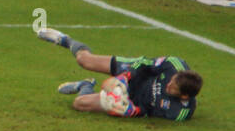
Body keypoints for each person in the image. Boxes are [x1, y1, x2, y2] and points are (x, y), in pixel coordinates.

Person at [36, 28, 200, 122]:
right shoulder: (175, 65)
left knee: (79, 104)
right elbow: (145, 63)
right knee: (84, 60)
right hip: (136, 74)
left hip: (132, 98)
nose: (168, 85)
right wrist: (125, 76)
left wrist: (132, 110)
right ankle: (65, 40)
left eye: (173, 88)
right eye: (171, 81)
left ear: (184, 95)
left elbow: (148, 111)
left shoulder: (179, 112)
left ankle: (84, 85)